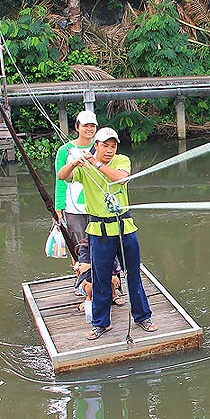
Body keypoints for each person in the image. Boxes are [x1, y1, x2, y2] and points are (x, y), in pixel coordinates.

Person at [57, 127, 157, 340]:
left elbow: (120, 179)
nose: (110, 150)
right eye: (105, 145)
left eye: (113, 146)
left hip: (124, 227)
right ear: (96, 145)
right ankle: (101, 323)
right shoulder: (85, 167)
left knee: (133, 273)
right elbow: (62, 176)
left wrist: (96, 163)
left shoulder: (121, 161)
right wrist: (75, 162)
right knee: (101, 278)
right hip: (99, 231)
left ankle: (142, 317)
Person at [55, 110, 98, 283]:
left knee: (100, 244)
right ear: (77, 127)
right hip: (74, 207)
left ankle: (103, 281)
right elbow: (60, 180)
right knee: (78, 246)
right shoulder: (65, 150)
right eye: (85, 125)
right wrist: (59, 206)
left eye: (92, 126)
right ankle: (81, 282)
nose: (89, 129)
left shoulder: (101, 146)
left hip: (97, 205)